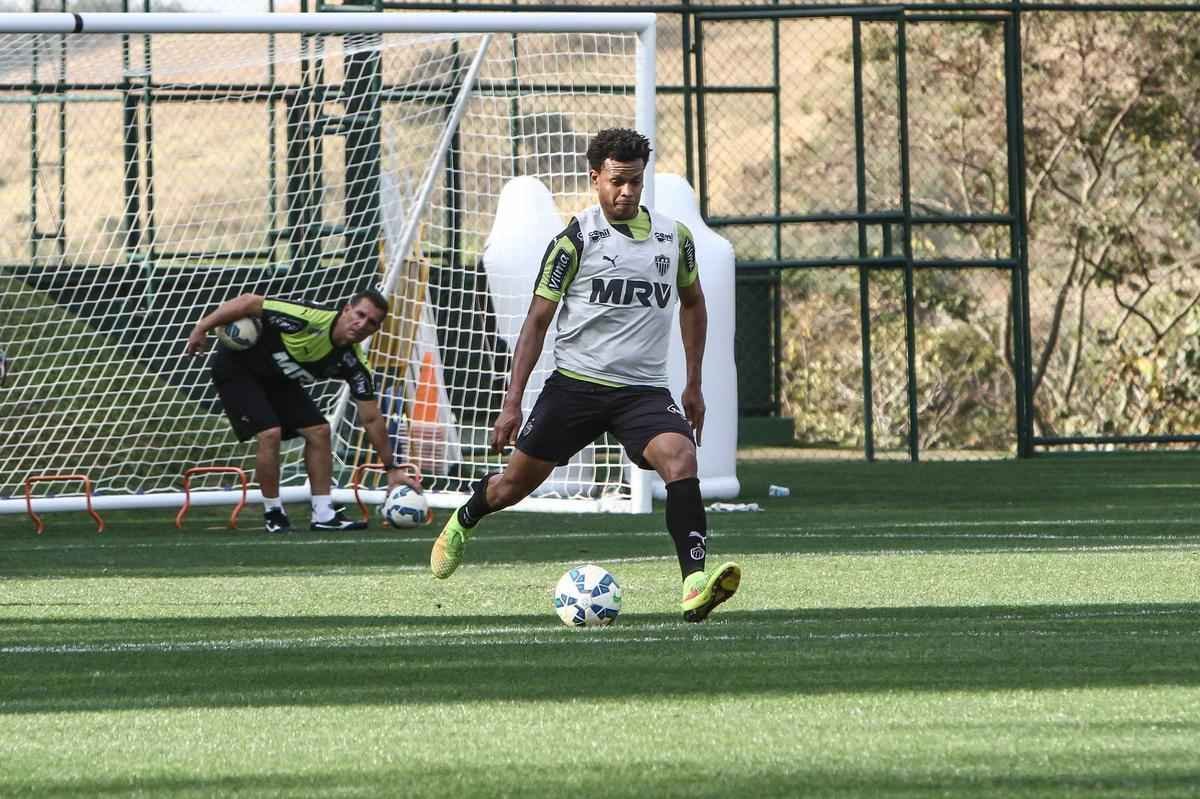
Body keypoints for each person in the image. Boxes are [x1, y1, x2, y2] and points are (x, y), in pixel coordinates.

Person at [430, 128, 740, 623]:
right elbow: (536, 322)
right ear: (595, 178)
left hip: (642, 390)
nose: (628, 192)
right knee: (512, 486)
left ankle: (694, 583)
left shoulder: (673, 239)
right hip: (575, 387)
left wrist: (694, 384)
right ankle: (465, 518)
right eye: (618, 181)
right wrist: (512, 403)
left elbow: (694, 304)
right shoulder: (575, 239)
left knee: (681, 459)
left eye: (636, 182)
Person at [185, 289, 419, 534]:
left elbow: (371, 418)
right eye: (360, 314)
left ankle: (324, 514)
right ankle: (273, 513)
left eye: (372, 323)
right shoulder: (306, 318)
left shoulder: (355, 364)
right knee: (270, 433)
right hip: (237, 369)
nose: (362, 324)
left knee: (319, 431)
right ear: (347, 309)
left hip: (278, 379)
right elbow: (247, 302)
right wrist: (201, 328)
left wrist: (391, 468)